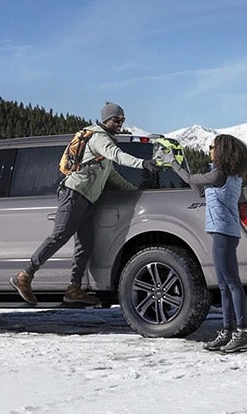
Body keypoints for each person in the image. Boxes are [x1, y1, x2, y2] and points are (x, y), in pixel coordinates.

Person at [10, 102, 157, 306]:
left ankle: (73, 288)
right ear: (106, 120)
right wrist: (142, 163)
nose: (120, 123)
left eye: (122, 120)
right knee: (59, 235)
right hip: (73, 194)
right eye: (116, 119)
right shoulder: (100, 138)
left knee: (85, 244)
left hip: (87, 200)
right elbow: (117, 155)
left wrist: (135, 191)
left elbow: (111, 175)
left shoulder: (103, 143)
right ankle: (24, 276)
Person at [165, 134, 247, 352]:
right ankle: (227, 331)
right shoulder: (230, 176)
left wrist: (172, 163)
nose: (209, 150)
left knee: (231, 283)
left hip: (222, 232)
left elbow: (190, 179)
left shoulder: (218, 174)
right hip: (226, 232)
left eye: (212, 147)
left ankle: (242, 332)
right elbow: (203, 191)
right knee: (224, 285)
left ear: (221, 150)